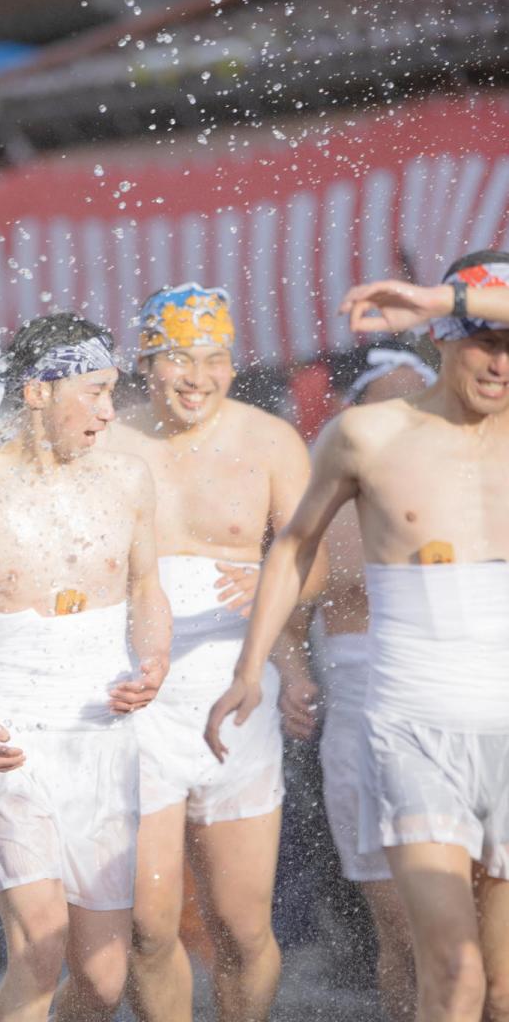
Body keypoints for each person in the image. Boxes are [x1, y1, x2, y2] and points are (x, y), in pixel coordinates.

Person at [206, 250, 509, 1022]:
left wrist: (442, 294)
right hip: (408, 724)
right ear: (442, 336)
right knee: (450, 965)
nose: (499, 363)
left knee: (503, 988)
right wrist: (256, 669)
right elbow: (291, 549)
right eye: (482, 339)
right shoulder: (367, 436)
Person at [0, 313, 171, 1022]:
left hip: (102, 741)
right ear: (37, 393)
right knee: (39, 952)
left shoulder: (128, 479)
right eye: (93, 391)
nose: (110, 411)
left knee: (105, 981)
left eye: (113, 390)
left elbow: (146, 589)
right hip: (11, 742)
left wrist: (155, 659)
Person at [106, 284, 323, 1022]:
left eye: (214, 358)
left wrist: (272, 596)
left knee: (241, 925)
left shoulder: (269, 440)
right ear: (144, 362)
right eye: (176, 359)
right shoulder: (110, 441)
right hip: (137, 698)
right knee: (146, 925)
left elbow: (313, 568)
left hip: (236, 696)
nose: (196, 376)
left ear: (233, 363)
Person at [318, 344, 436, 1021]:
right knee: (406, 937)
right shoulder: (331, 504)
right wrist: (287, 670)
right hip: (361, 721)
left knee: (482, 943)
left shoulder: (481, 482)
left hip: (461, 716)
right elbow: (280, 604)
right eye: (390, 402)